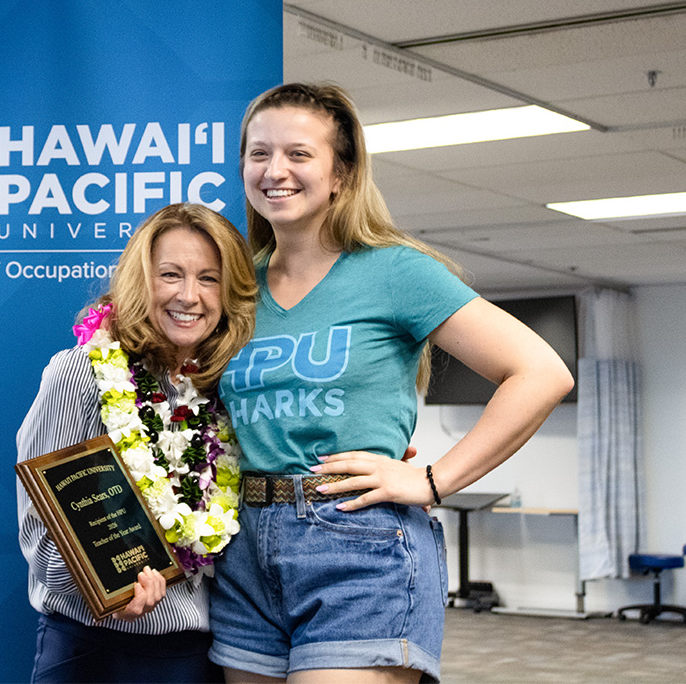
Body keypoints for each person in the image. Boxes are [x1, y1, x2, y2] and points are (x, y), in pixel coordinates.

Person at [208, 83, 575, 684]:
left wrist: (434, 480)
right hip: (243, 552)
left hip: (356, 545)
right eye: (259, 153)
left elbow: (541, 372)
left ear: (342, 175)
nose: (275, 170)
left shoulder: (393, 270)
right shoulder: (234, 285)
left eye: (299, 154)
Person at [16, 203, 257, 684]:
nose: (189, 296)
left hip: (193, 654)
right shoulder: (81, 372)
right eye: (170, 274)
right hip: (90, 648)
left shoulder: (230, 385)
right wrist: (104, 588)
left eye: (209, 278)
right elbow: (41, 524)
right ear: (139, 280)